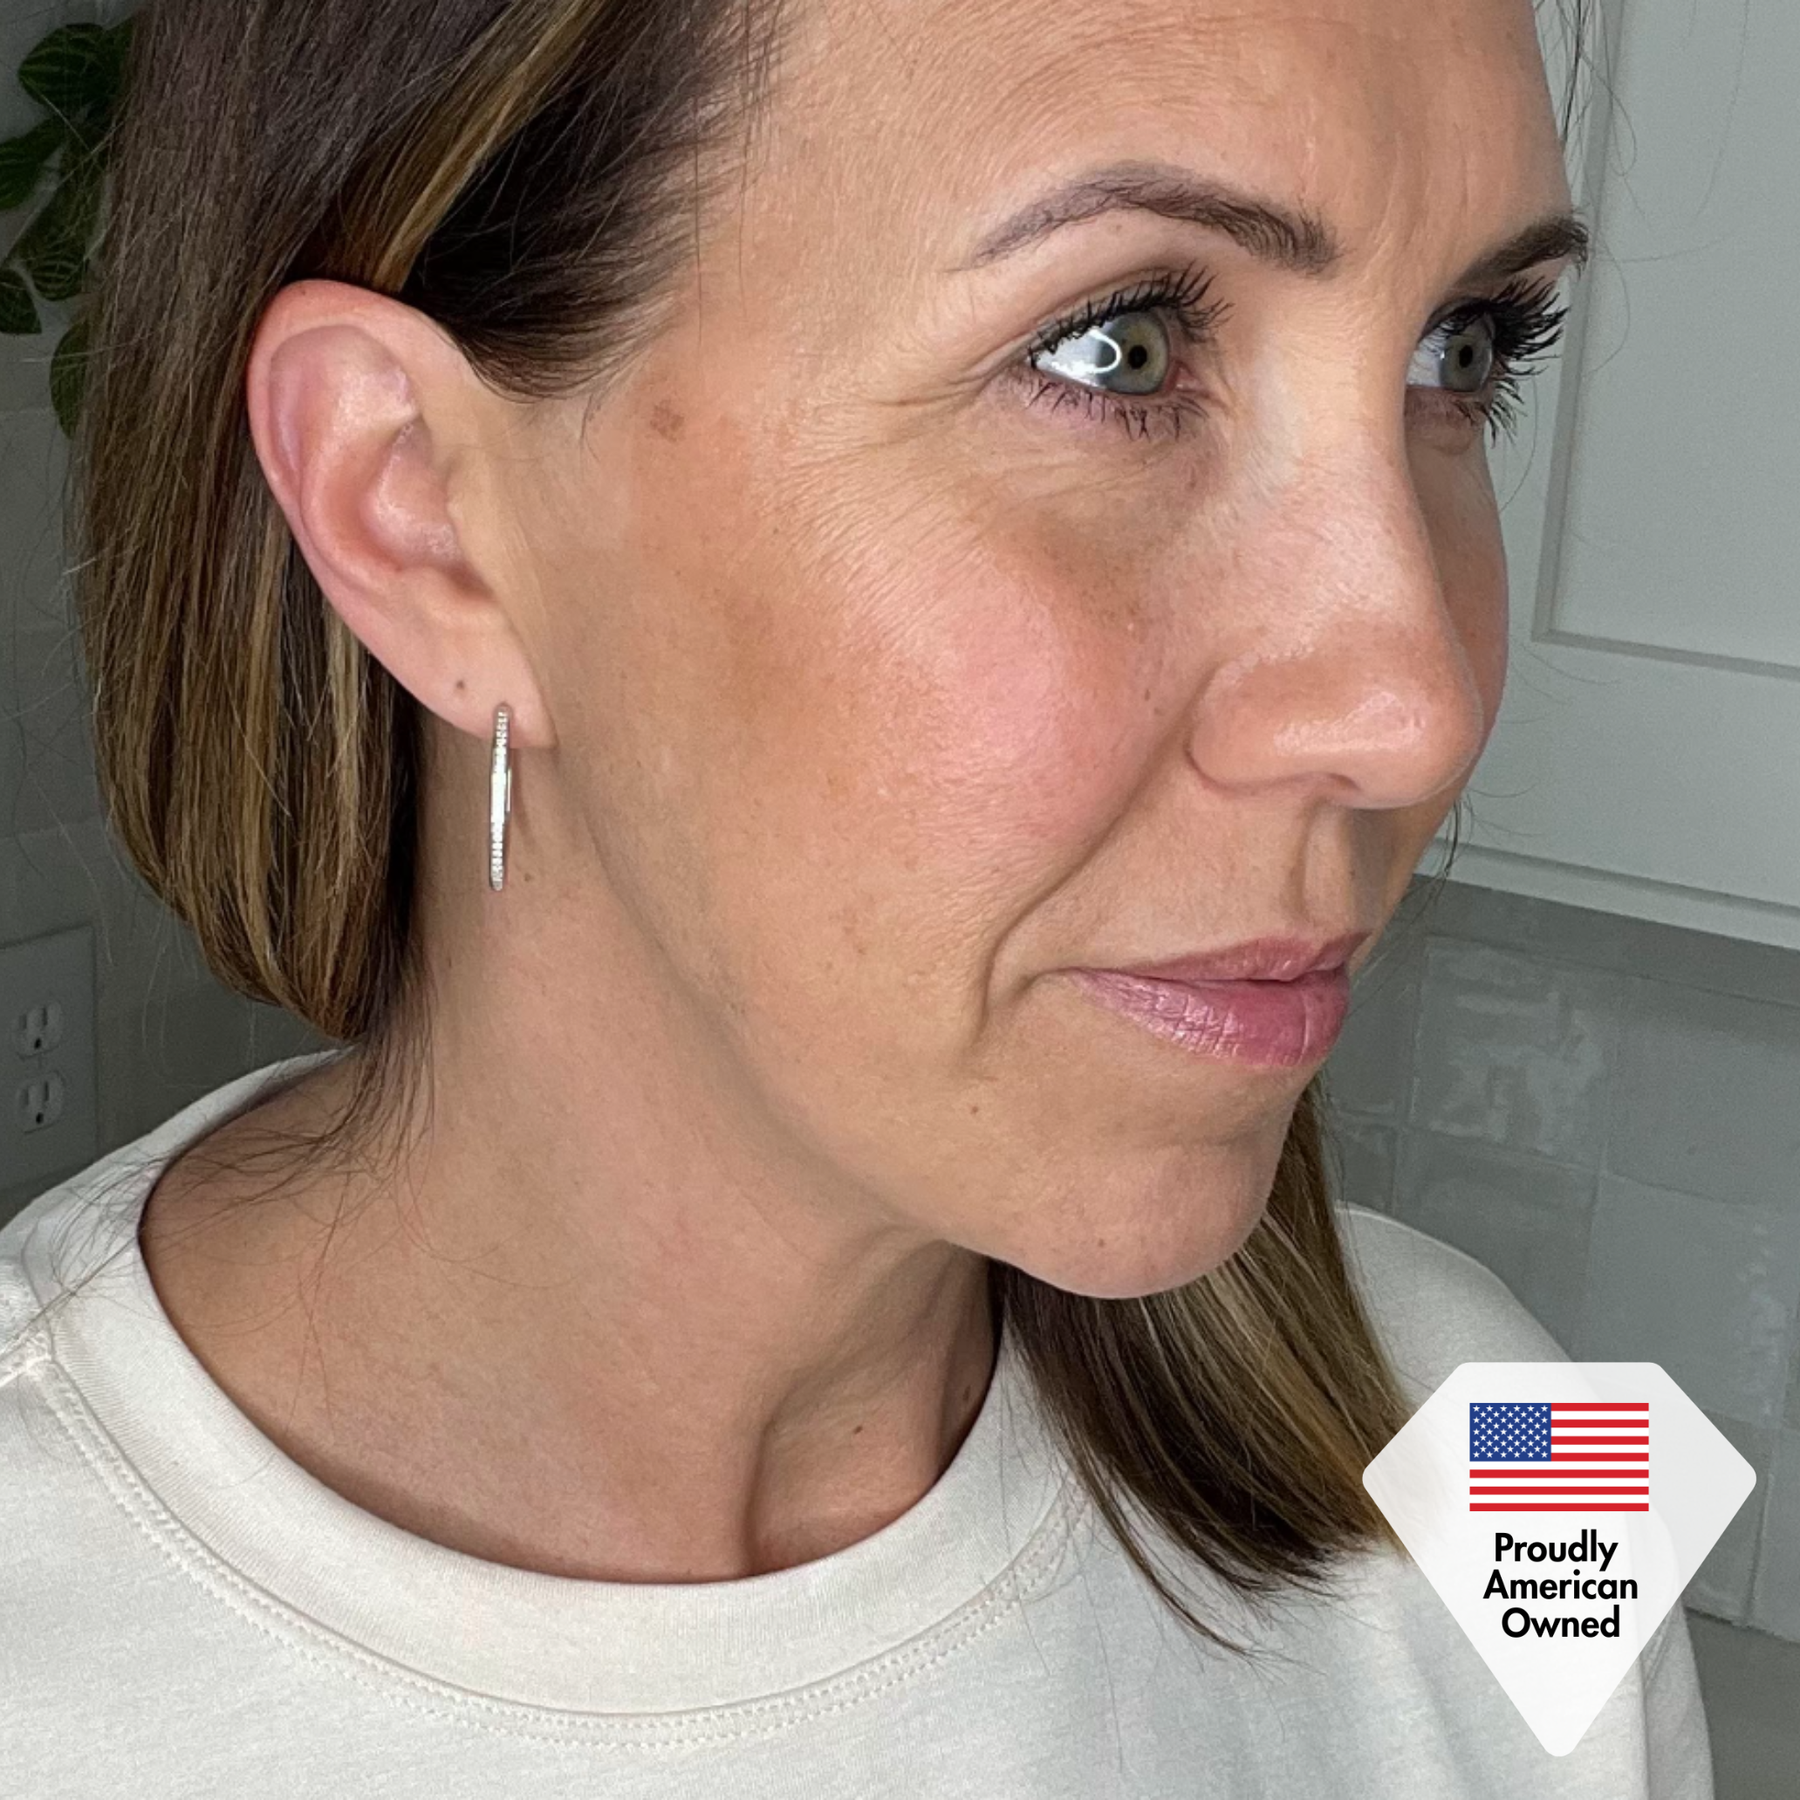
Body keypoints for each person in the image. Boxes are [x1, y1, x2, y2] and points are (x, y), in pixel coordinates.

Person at [0, 0, 1713, 1792]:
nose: (1416, 706)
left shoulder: (1524, 1454)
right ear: (423, 509)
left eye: (1462, 351)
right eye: (1117, 350)